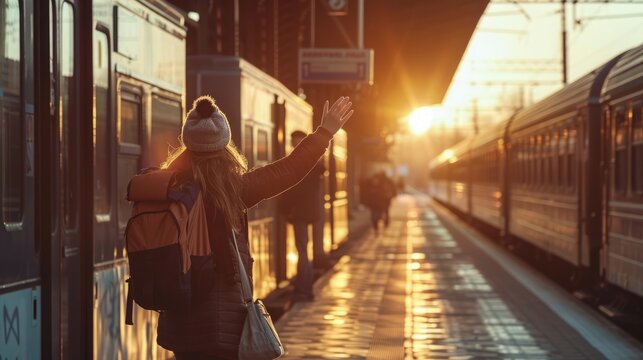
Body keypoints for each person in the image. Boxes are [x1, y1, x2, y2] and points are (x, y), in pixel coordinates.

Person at [156, 95, 353, 359]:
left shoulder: (168, 188)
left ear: (187, 144)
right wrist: (325, 132)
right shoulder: (232, 189)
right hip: (223, 327)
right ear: (224, 145)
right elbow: (289, 170)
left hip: (180, 322)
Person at [280, 130, 325, 302]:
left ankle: (304, 288)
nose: (292, 144)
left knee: (303, 251)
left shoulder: (301, 163)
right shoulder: (313, 162)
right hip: (309, 211)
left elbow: (295, 190)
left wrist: (285, 208)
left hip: (300, 212)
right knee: (304, 250)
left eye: (294, 141)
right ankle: (306, 286)